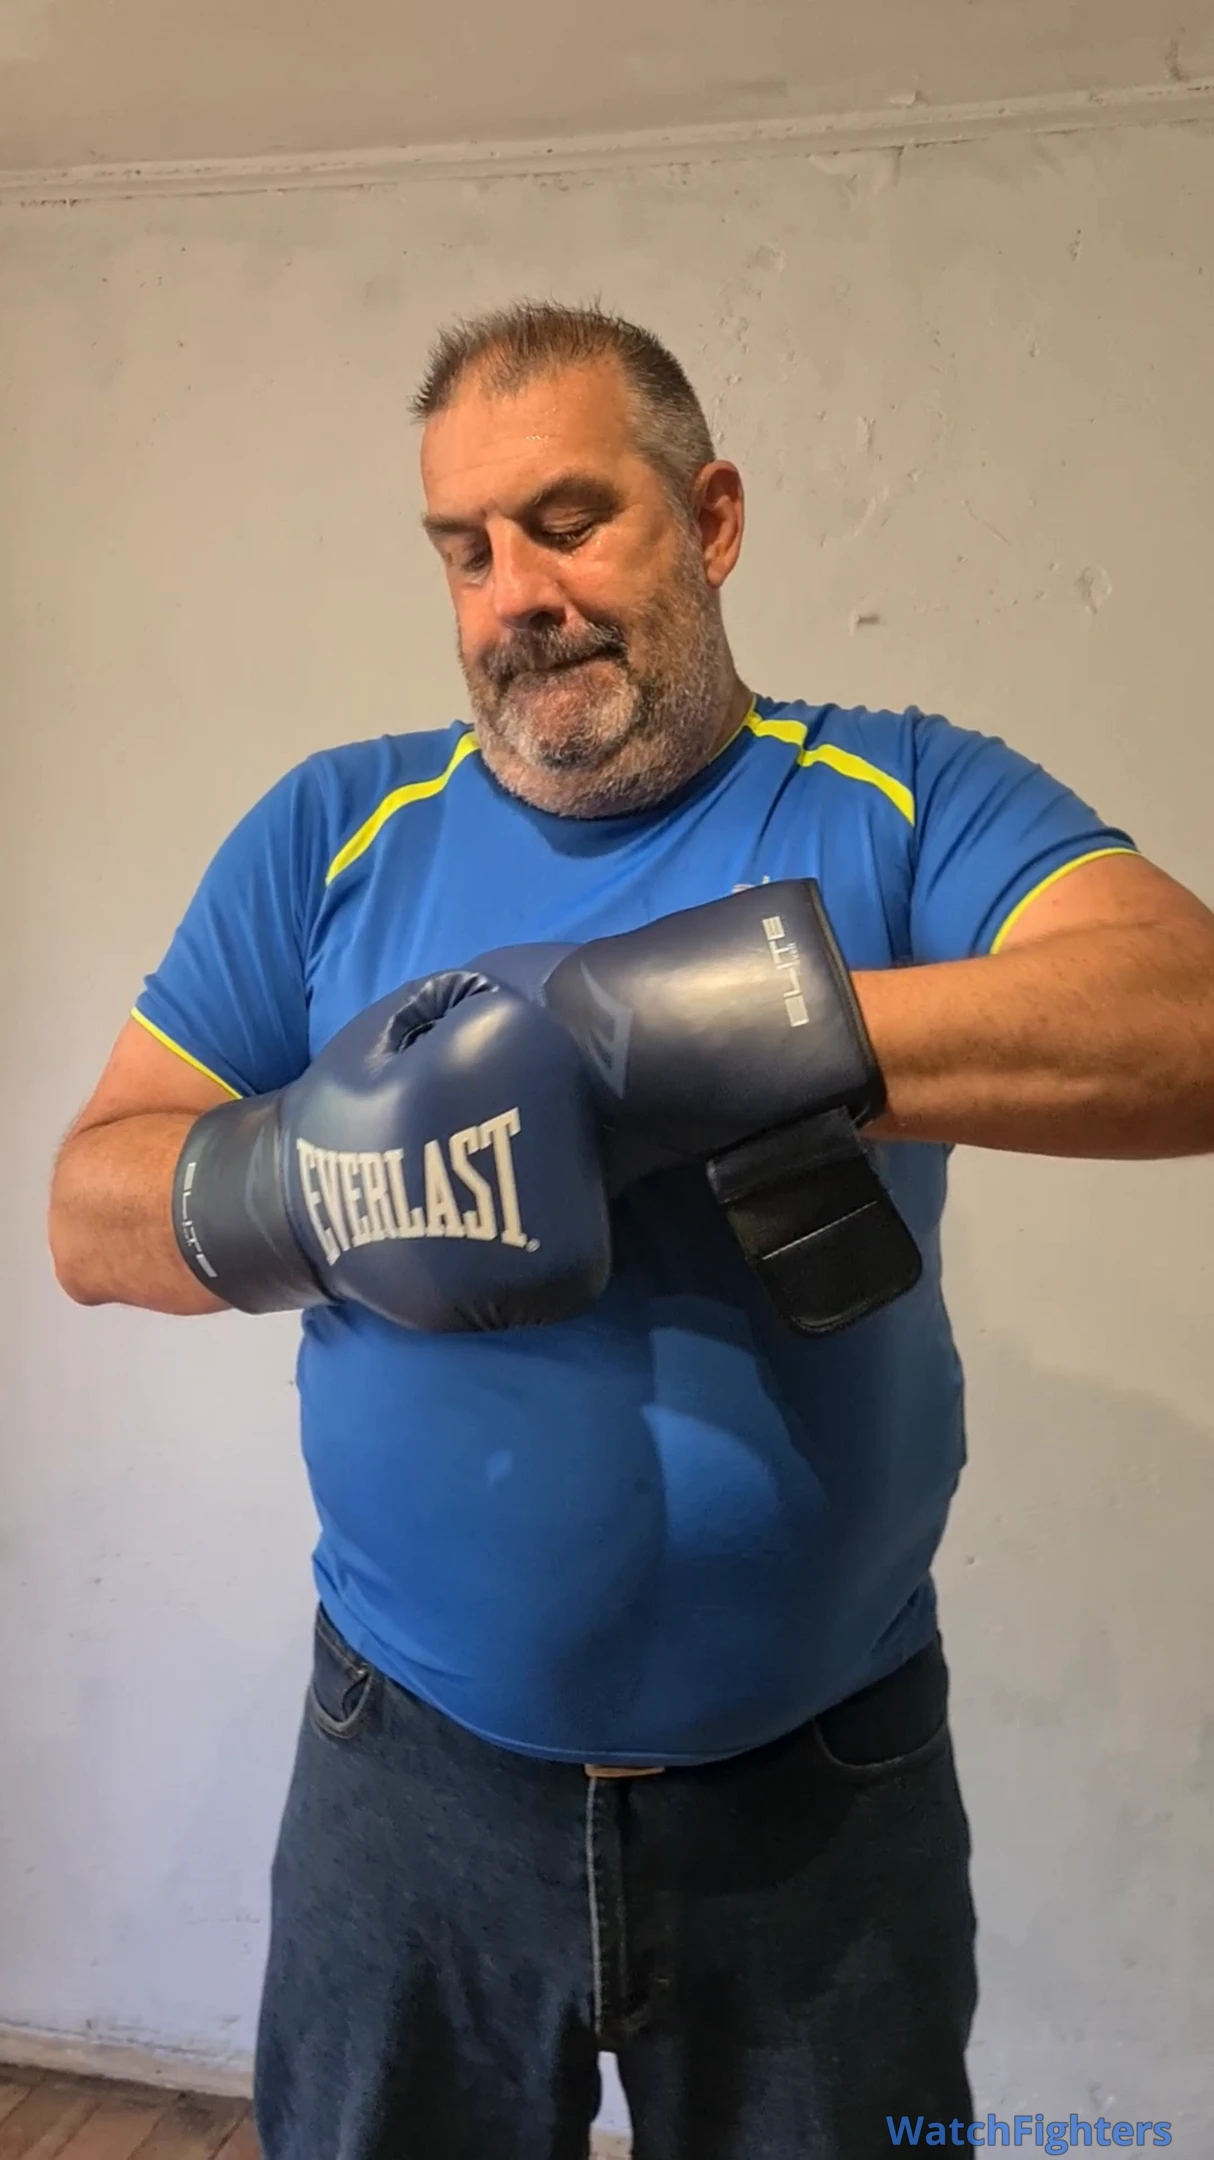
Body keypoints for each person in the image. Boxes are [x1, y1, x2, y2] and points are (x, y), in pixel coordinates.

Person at [48, 302, 1214, 2160]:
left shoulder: (901, 794)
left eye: (569, 520)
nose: (517, 594)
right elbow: (92, 1208)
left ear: (711, 517)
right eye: (465, 548)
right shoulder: (334, 831)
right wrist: (329, 1182)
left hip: (820, 1794)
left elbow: (1179, 1018)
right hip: (405, 1784)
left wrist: (664, 1046)